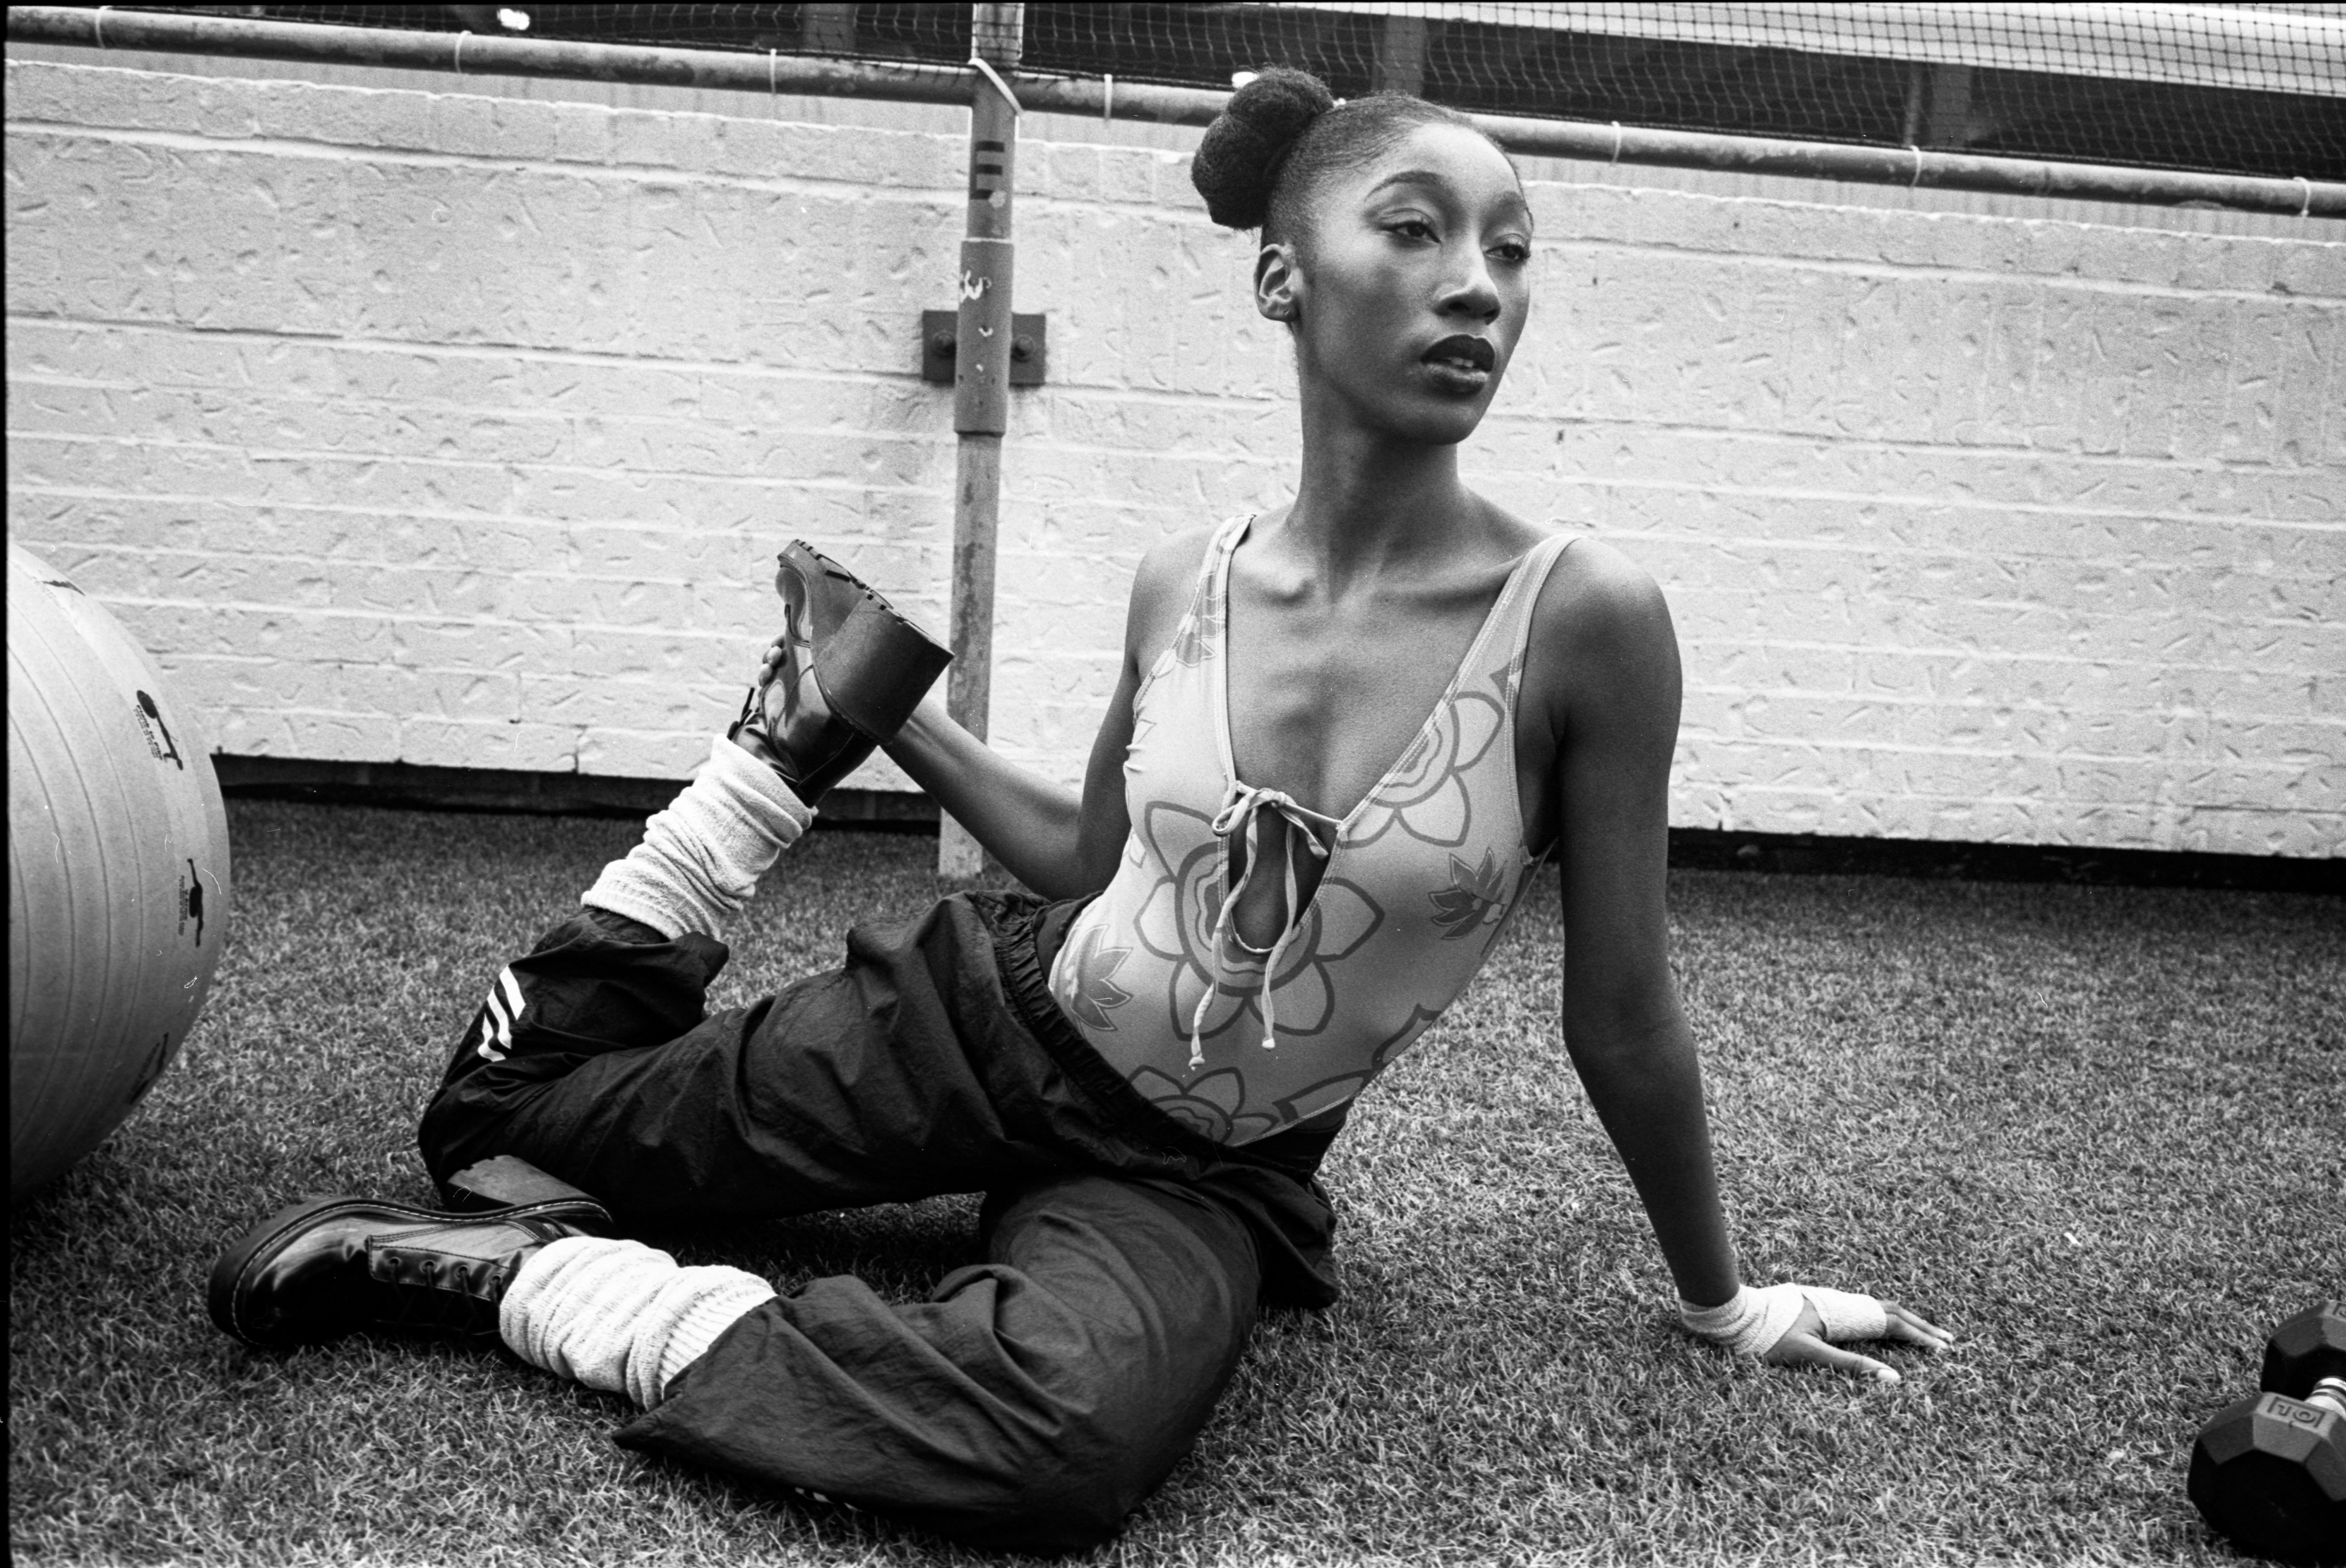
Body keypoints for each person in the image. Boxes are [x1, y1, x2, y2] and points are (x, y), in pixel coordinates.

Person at [206, 68, 1953, 1554]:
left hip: (1205, 1167)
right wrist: (894, 722)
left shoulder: (1590, 621)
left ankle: (531, 1289)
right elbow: (1094, 861)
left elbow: (1622, 1007)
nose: (1477, 284)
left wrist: (1725, 1302)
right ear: (1284, 277)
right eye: (1414, 230)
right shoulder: (1184, 575)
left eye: (1510, 248)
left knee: (1068, 1446)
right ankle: (773, 758)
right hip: (995, 1017)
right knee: (499, 1124)